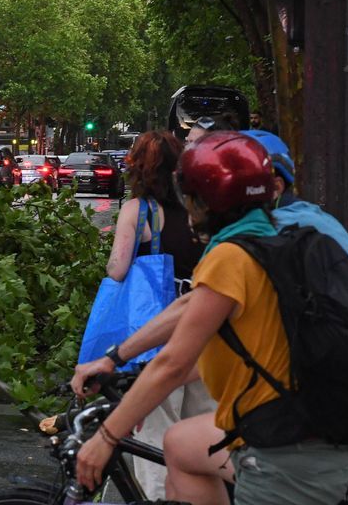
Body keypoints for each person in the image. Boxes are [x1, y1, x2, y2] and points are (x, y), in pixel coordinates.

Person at [72, 132, 348, 504]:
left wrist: (107, 437)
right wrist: (117, 357)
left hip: (291, 446)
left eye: (191, 200)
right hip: (325, 424)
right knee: (178, 445)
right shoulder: (278, 237)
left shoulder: (234, 256)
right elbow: (188, 307)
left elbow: (173, 365)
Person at [104, 131, 211, 499]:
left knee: (154, 426)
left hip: (158, 331)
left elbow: (117, 269)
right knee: (203, 427)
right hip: (207, 322)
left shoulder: (140, 210)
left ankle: (159, 497)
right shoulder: (200, 207)